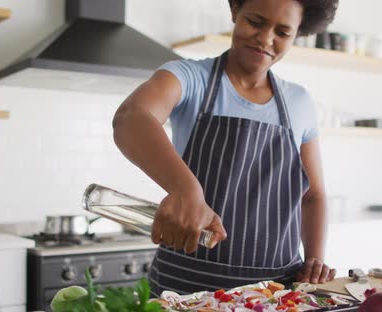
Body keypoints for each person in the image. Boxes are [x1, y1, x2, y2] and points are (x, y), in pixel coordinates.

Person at [113, 0, 338, 296]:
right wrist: (186, 189)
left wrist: (314, 259)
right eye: (256, 22)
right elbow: (131, 117)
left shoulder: (299, 102)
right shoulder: (190, 78)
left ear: (298, 33)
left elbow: (313, 195)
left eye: (282, 32)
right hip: (184, 291)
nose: (266, 39)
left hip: (274, 292)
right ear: (235, 11)